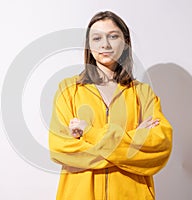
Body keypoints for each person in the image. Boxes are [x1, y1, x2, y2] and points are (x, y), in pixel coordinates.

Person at [48, 11, 172, 200]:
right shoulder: (68, 89)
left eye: (113, 36)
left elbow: (159, 148)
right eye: (97, 38)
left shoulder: (143, 94)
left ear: (125, 43)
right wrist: (131, 144)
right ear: (89, 46)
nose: (105, 44)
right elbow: (60, 149)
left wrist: (89, 132)